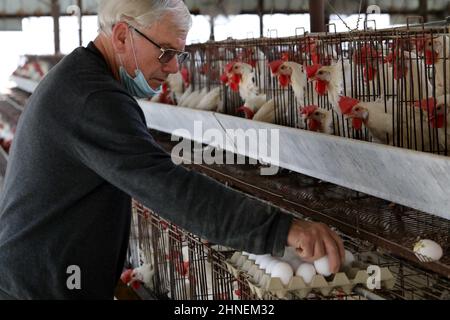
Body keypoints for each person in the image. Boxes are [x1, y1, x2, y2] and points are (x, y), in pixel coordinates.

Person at [0, 0, 344, 299]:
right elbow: (170, 189)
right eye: (165, 52)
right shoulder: (93, 99)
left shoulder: (82, 78)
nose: (174, 67)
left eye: (178, 54)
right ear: (122, 36)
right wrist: (281, 229)